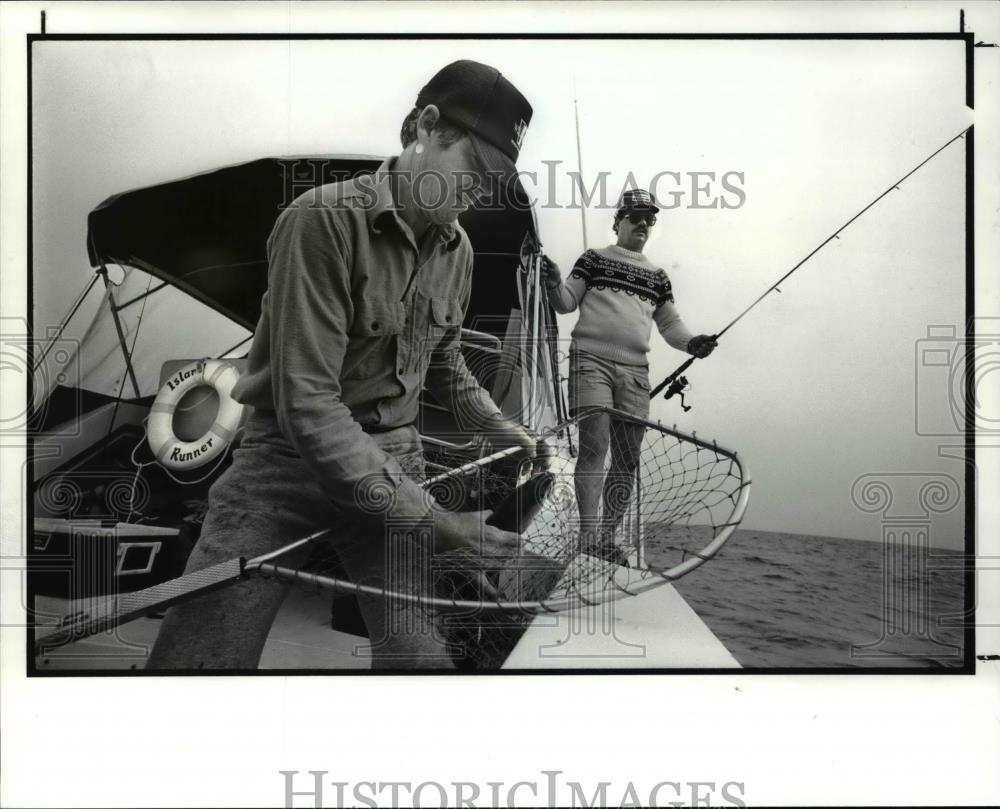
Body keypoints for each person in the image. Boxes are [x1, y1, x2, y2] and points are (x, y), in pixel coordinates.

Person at [147, 60, 538, 670]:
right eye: (478, 172)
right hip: (283, 467)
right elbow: (310, 406)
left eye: (494, 185)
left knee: (422, 661)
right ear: (425, 126)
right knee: (201, 660)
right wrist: (438, 524)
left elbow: (445, 362)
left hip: (397, 462)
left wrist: (496, 424)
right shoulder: (319, 220)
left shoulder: (457, 250)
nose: (481, 193)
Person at [541, 189, 717, 564]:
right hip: (590, 361)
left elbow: (670, 324)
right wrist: (554, 281)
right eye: (635, 216)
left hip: (636, 372)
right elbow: (566, 301)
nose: (643, 223)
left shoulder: (658, 277)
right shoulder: (593, 259)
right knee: (594, 446)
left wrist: (692, 343)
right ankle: (588, 537)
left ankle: (606, 538)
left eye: (650, 219)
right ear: (618, 221)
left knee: (628, 458)